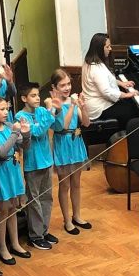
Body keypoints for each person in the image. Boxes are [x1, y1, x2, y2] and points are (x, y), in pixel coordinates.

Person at [0, 97, 31, 265]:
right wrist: (15, 133)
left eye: (7, 109)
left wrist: (26, 133)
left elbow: (24, 146)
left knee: (13, 208)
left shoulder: (9, 126)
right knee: (2, 211)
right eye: (2, 109)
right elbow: (0, 152)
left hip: (13, 169)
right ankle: (2, 248)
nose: (6, 112)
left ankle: (15, 243)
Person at [49, 69, 90, 233]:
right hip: (63, 143)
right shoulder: (53, 104)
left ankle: (77, 215)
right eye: (62, 85)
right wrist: (72, 105)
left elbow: (86, 123)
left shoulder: (73, 101)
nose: (67, 88)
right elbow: (62, 126)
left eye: (68, 84)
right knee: (64, 184)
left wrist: (83, 107)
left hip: (75, 142)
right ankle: (67, 220)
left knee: (76, 183)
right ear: (54, 87)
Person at [15, 83, 56, 250]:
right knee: (34, 201)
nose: (38, 98)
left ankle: (44, 231)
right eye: (33, 95)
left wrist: (49, 112)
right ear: (24, 98)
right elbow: (37, 132)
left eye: (38, 95)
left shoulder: (41, 111)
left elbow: (50, 122)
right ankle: (35, 235)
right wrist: (50, 110)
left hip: (47, 160)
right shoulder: (20, 116)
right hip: (33, 164)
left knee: (47, 198)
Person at [80, 33, 139, 129]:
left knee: (129, 105)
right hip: (98, 107)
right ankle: (127, 134)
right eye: (107, 47)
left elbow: (106, 79)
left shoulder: (90, 60)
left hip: (96, 101)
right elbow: (107, 92)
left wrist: (122, 83)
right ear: (100, 49)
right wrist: (126, 95)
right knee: (129, 111)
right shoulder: (96, 69)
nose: (110, 49)